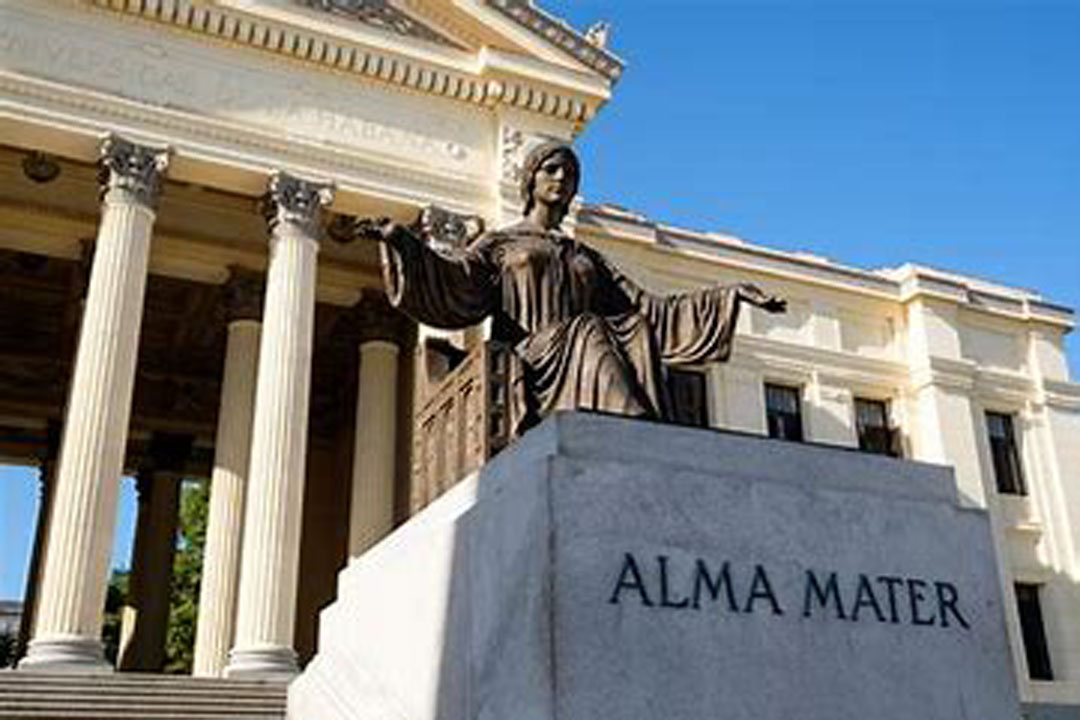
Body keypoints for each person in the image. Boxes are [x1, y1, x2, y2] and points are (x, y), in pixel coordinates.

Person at [373, 141, 786, 437]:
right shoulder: (501, 244)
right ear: (530, 180)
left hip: (581, 347)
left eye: (569, 174)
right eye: (551, 170)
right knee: (589, 329)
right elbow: (458, 280)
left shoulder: (585, 255)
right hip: (531, 356)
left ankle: (634, 432)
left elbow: (649, 308)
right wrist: (402, 242)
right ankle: (634, 426)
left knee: (635, 330)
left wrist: (729, 295)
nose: (561, 178)